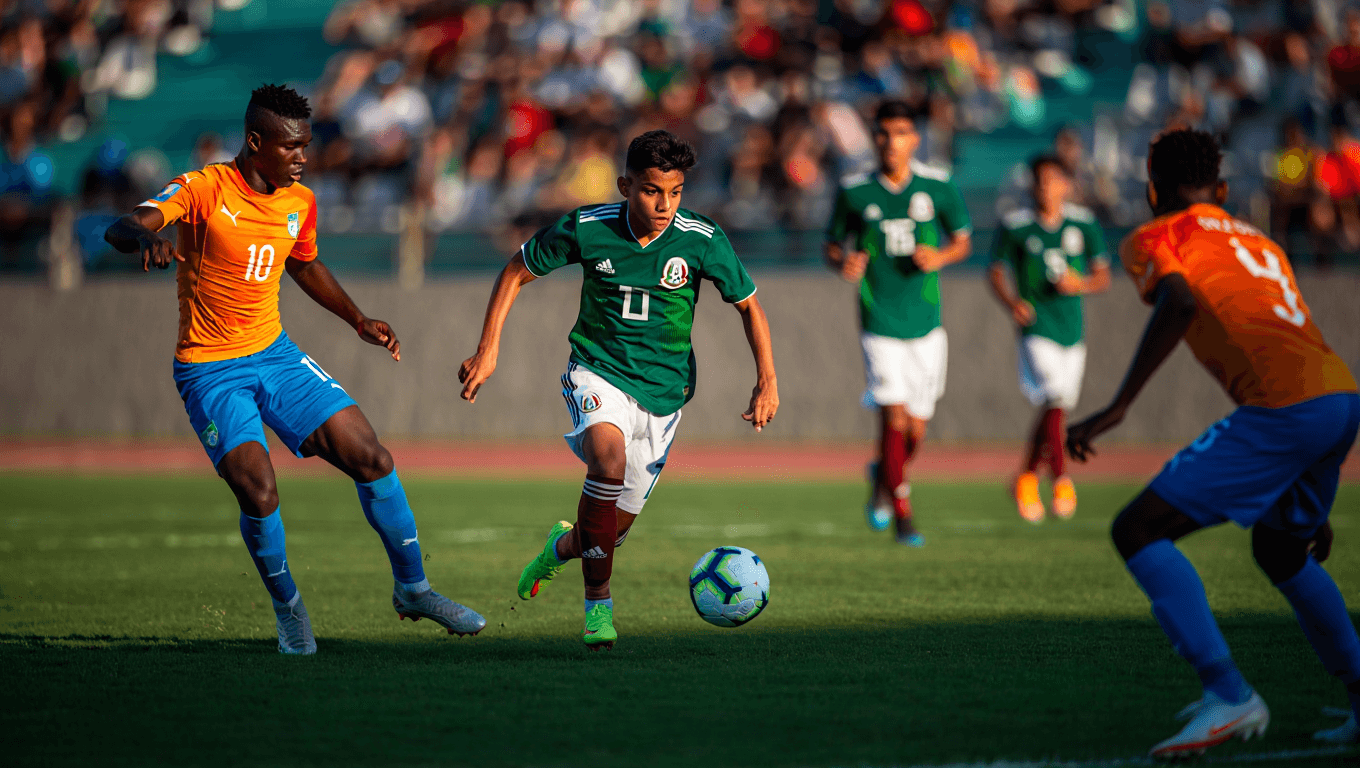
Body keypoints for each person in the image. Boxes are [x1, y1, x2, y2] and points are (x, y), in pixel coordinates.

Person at [103, 84, 485, 655]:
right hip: (211, 368)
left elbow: (303, 264)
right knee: (259, 491)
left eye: (306, 145)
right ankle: (289, 612)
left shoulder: (299, 200)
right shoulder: (207, 187)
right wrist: (144, 237)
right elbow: (124, 224)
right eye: (290, 147)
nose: (302, 157)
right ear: (255, 142)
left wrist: (358, 319)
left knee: (372, 457)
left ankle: (414, 590)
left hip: (275, 354)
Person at [1067, 129, 1360, 757]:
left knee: (1138, 529)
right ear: (1223, 191)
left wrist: (1118, 406)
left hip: (1285, 408)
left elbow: (1176, 304)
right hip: (1338, 398)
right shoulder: (1261, 241)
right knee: (1282, 550)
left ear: (1152, 191)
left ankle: (1228, 692)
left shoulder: (1158, 234)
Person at [458, 129, 779, 650]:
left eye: (675, 192)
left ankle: (558, 549)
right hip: (597, 370)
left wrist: (767, 380)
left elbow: (750, 305)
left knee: (609, 531)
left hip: (664, 394)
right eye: (652, 191)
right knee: (606, 463)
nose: (665, 205)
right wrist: (488, 348)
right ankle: (598, 608)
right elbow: (516, 270)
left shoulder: (701, 238)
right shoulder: (588, 227)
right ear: (626, 186)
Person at [824, 100, 972, 546]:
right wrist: (844, 261)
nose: (892, 142)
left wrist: (939, 256)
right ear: (874, 138)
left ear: (915, 139)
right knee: (893, 415)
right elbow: (832, 245)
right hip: (878, 319)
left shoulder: (937, 185)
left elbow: (962, 241)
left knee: (916, 428)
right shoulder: (855, 191)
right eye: (884, 133)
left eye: (901, 133)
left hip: (926, 322)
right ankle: (903, 514)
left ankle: (882, 477)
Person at [988, 155, 1110, 523]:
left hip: (1071, 328)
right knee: (1055, 397)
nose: (1045, 188)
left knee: (1055, 409)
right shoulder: (1016, 225)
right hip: (1036, 326)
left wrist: (1079, 283)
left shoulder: (1083, 224)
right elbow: (995, 271)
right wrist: (1012, 302)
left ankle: (1026, 477)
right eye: (1039, 180)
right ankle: (1061, 479)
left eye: (1053, 180)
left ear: (1066, 185)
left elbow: (1102, 276)